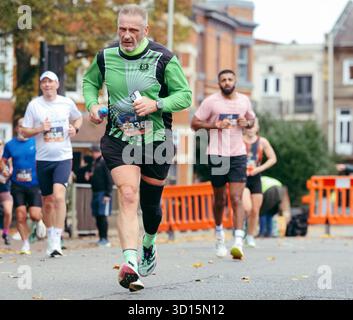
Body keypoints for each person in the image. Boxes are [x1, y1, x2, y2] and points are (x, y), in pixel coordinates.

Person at [83, 4, 191, 291]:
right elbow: (89, 83)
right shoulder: (105, 57)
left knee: (151, 206)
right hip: (119, 138)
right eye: (122, 29)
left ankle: (148, 243)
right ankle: (129, 263)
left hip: (156, 139)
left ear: (146, 30)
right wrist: (92, 105)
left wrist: (158, 104)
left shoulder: (164, 58)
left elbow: (185, 95)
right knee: (128, 194)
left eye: (133, 30)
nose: (127, 35)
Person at [191, 69, 256, 260]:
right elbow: (194, 124)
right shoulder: (211, 101)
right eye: (223, 80)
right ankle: (219, 235)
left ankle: (237, 242)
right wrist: (214, 126)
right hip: (217, 154)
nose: (227, 82)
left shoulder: (244, 100)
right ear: (219, 83)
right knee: (220, 200)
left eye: (230, 79)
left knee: (236, 198)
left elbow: (252, 119)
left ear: (235, 81)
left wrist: (247, 123)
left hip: (238, 154)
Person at [21, 70, 82, 257]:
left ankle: (57, 237)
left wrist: (75, 128)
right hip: (43, 159)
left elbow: (78, 117)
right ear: (41, 86)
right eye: (44, 82)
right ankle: (50, 234)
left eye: (50, 82)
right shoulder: (34, 105)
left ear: (57, 84)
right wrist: (40, 128)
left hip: (63, 157)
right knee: (47, 202)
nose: (47, 85)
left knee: (58, 196)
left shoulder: (66, 102)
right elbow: (24, 131)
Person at [1, 118, 46, 255]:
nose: (22, 129)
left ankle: (39, 221)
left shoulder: (36, 142)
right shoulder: (10, 145)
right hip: (17, 185)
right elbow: (2, 161)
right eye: (20, 126)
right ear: (16, 129)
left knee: (34, 214)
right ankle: (25, 243)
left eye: (25, 126)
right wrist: (4, 169)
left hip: (34, 184)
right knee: (20, 216)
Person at [242, 119, 277, 247]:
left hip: (256, 177)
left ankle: (250, 236)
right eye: (248, 126)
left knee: (255, 211)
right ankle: (243, 228)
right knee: (247, 208)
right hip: (242, 178)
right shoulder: (239, 141)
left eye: (253, 126)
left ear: (257, 127)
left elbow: (273, 159)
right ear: (244, 128)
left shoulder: (262, 142)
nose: (250, 128)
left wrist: (258, 169)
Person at [85, 144, 113, 247]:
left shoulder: (104, 162)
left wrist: (107, 194)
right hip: (95, 192)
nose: (93, 154)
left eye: (94, 152)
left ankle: (105, 239)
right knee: (97, 216)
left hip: (103, 193)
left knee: (102, 216)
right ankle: (100, 238)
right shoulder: (94, 163)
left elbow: (109, 179)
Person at [0, 139, 13, 246]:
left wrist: (7, 174)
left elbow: (11, 172)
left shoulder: (7, 159)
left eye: (1, 145)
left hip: (5, 189)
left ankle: (5, 232)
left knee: (8, 211)